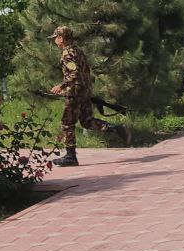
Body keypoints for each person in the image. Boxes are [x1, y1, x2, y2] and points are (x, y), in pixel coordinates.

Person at [47, 26, 130, 167]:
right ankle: (116, 129)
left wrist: (61, 86)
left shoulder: (67, 53)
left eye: (55, 38)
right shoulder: (77, 50)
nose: (55, 40)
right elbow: (84, 72)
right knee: (87, 121)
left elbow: (74, 74)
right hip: (84, 91)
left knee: (67, 124)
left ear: (61, 38)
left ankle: (70, 156)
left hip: (75, 93)